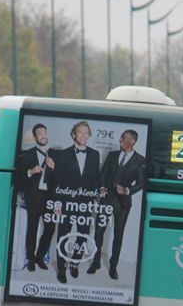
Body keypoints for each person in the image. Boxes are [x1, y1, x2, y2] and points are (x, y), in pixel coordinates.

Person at [50, 120, 101, 284]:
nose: (84, 136)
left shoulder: (95, 154)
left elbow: (95, 180)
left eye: (86, 133)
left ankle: (75, 263)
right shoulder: (63, 154)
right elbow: (56, 181)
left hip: (85, 203)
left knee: (83, 235)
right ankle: (61, 269)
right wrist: (57, 203)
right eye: (80, 132)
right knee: (63, 236)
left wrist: (94, 198)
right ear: (73, 135)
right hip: (66, 202)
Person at [91, 129, 146, 280]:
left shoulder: (141, 160)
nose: (120, 140)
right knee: (98, 231)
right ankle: (96, 262)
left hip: (123, 203)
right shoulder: (112, 155)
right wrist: (101, 188)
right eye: (121, 138)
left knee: (118, 234)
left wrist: (127, 190)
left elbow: (141, 183)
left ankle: (113, 267)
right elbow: (102, 175)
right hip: (107, 199)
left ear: (132, 141)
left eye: (123, 138)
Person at [15, 123, 57, 272]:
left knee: (50, 228)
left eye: (45, 133)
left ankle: (40, 256)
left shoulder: (55, 155)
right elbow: (18, 179)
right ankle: (30, 259)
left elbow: (61, 179)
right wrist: (30, 171)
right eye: (40, 134)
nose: (43, 136)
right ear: (34, 138)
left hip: (50, 197)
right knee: (32, 228)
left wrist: (54, 168)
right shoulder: (27, 155)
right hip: (35, 196)